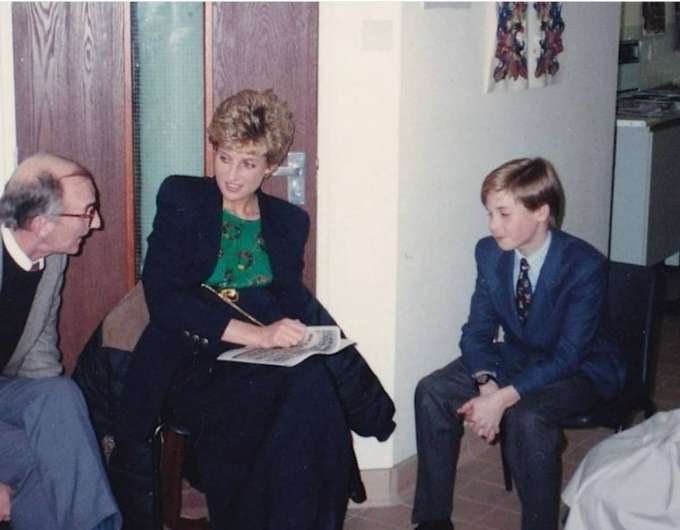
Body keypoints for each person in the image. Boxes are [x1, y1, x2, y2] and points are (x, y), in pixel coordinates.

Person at [112, 88, 395, 530]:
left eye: (247, 163)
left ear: (271, 166)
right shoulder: (183, 197)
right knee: (283, 401)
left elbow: (291, 301)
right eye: (224, 157)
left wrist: (301, 339)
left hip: (260, 362)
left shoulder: (288, 222)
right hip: (191, 360)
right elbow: (164, 301)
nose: (231, 174)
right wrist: (259, 336)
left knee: (312, 386)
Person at [412, 158, 626, 530]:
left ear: (541, 211)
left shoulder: (583, 264)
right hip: (520, 356)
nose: (493, 225)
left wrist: (502, 399)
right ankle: (433, 521)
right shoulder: (489, 253)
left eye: (504, 214)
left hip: (581, 368)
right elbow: (476, 330)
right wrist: (486, 383)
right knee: (432, 391)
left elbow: (569, 355)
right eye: (489, 213)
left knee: (528, 417)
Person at [0, 153, 121, 530]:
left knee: (60, 398)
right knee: (45, 459)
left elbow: (39, 357)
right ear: (41, 224)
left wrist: (61, 430)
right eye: (87, 212)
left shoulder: (51, 259)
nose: (96, 223)